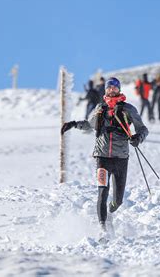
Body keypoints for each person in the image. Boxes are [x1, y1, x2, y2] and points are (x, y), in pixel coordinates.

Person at [61, 77, 149, 232]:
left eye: (115, 87)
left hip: (121, 158)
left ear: (119, 90)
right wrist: (74, 124)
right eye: (109, 87)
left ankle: (109, 213)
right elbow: (89, 125)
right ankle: (103, 227)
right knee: (102, 192)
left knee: (118, 201)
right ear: (106, 90)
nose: (112, 90)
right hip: (102, 158)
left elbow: (143, 129)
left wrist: (137, 138)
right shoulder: (100, 108)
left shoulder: (128, 109)